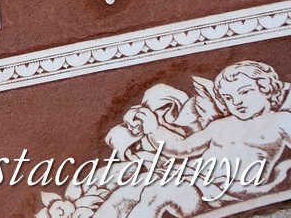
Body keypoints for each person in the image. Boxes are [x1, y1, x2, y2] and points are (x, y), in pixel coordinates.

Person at [92, 61, 291, 217]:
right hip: (195, 179)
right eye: (229, 98)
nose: (237, 102)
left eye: (245, 92)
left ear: (265, 88)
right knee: (131, 188)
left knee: (160, 192)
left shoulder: (281, 120)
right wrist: (154, 128)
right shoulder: (220, 125)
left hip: (225, 193)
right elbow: (182, 148)